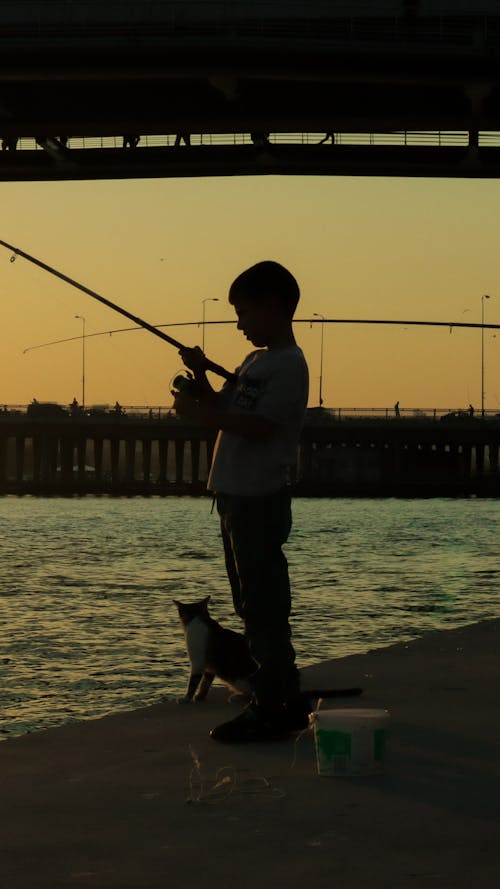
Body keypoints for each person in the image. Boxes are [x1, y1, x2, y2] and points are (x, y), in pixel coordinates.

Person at [173, 260, 309, 743]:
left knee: (263, 602)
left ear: (273, 307)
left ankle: (274, 704)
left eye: (244, 312)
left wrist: (199, 414)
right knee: (247, 601)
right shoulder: (254, 363)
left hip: (259, 499)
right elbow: (226, 409)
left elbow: (261, 426)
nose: (239, 323)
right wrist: (199, 381)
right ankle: (275, 695)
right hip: (234, 499)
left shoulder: (289, 365)